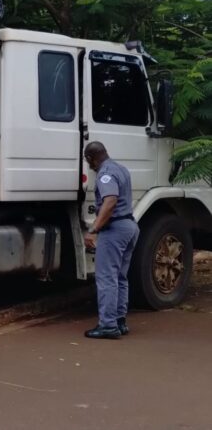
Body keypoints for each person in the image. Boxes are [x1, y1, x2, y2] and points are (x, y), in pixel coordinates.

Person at [83, 142, 140, 339]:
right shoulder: (120, 168)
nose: (89, 166)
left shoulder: (105, 172)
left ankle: (107, 325)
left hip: (114, 229)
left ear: (91, 158)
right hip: (130, 226)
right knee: (120, 277)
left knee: (106, 277)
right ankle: (120, 321)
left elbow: (110, 200)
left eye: (88, 161)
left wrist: (93, 229)